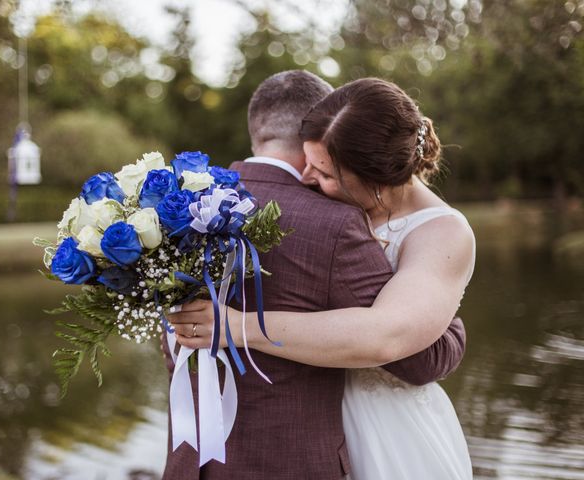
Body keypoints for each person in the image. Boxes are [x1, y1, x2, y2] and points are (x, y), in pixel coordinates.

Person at [162, 71, 468, 480]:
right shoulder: (328, 217)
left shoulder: (441, 231)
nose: (305, 178)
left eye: (323, 173)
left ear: (371, 178)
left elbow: (388, 338)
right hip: (314, 430)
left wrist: (238, 327)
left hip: (387, 428)